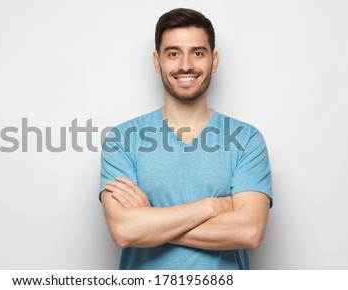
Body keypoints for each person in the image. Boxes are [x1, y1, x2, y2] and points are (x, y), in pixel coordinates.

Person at [99, 8, 272, 270]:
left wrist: (150, 222)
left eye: (198, 53)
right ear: (157, 62)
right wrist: (213, 207)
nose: (185, 65)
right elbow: (124, 230)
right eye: (173, 53)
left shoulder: (246, 140)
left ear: (214, 61)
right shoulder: (122, 140)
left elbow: (249, 231)